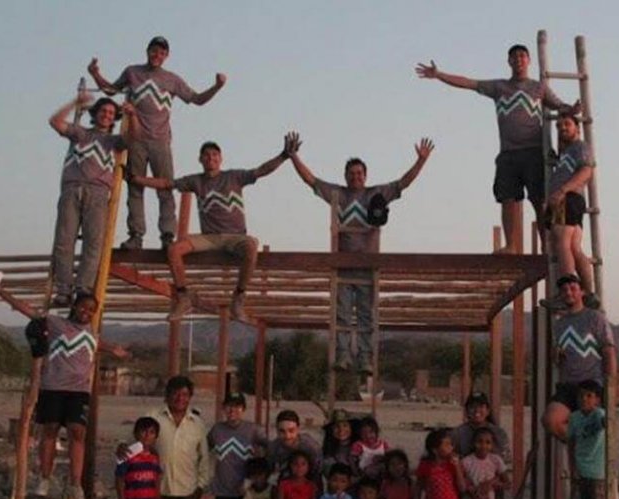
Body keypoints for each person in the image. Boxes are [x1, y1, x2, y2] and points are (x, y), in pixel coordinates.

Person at [287, 133, 434, 374]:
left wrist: (421, 161)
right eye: (351, 174)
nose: (355, 177)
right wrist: (293, 156)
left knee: (367, 315)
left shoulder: (375, 194)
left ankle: (366, 358)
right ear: (346, 176)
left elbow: (402, 183)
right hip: (343, 265)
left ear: (365, 176)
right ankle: (343, 355)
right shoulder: (339, 195)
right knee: (342, 314)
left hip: (368, 264)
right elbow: (311, 181)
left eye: (359, 174)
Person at [415, 44, 578, 253]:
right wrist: (439, 75)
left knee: (539, 200)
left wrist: (572, 109)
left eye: (522, 56)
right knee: (507, 198)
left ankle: (546, 245)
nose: (518, 60)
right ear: (509, 62)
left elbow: (560, 106)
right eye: (514, 57)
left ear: (528, 61)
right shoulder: (499, 87)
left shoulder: (539, 88)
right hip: (508, 153)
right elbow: (468, 83)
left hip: (533, 151)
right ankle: (511, 244)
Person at [129, 137, 295, 321]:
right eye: (206, 155)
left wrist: (283, 156)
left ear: (221, 158)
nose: (211, 158)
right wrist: (137, 179)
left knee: (251, 246)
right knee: (174, 249)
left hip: (235, 237)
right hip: (209, 237)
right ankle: (183, 297)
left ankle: (238, 298)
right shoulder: (195, 181)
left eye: (215, 155)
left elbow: (261, 171)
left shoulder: (234, 177)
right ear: (200, 159)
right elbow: (167, 184)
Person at [87, 36, 226, 251]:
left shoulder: (172, 79)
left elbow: (197, 99)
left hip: (161, 141)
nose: (157, 56)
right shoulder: (133, 72)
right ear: (148, 51)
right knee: (135, 186)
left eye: (162, 53)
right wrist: (96, 74)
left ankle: (167, 235)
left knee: (166, 187)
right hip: (135, 140)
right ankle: (136, 235)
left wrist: (217, 86)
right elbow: (111, 91)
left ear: (166, 56)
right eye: (154, 51)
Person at [0, 288, 128, 499]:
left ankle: (75, 484)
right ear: (74, 306)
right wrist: (2, 293)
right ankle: (45, 478)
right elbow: (29, 311)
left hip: (79, 391)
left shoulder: (92, 333)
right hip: (53, 387)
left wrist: (115, 349)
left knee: (78, 432)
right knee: (50, 430)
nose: (87, 312)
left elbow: (97, 344)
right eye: (83, 307)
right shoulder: (56, 324)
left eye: (91, 310)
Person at [48, 94, 140, 307]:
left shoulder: (114, 141)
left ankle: (83, 288)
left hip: (98, 193)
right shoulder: (79, 133)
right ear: (95, 113)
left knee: (93, 243)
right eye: (103, 111)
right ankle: (63, 289)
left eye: (110, 113)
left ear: (114, 117)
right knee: (64, 240)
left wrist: (132, 115)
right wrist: (75, 103)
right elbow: (55, 122)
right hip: (72, 189)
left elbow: (134, 139)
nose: (106, 115)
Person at [541, 273, 616, 440]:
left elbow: (608, 352)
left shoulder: (595, 318)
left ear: (582, 292)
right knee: (550, 420)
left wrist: (610, 386)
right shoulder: (560, 324)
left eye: (573, 288)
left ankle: (582, 445)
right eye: (564, 289)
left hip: (591, 385)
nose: (568, 292)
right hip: (568, 385)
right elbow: (559, 359)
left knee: (598, 434)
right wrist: (556, 357)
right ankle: (579, 441)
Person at [544, 113, 597, 309]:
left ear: (578, 127)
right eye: (558, 126)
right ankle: (589, 292)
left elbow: (586, 171)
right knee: (574, 247)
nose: (562, 128)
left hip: (567, 199)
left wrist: (562, 191)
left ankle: (565, 289)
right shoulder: (567, 152)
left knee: (562, 244)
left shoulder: (580, 147)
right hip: (570, 200)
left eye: (567, 124)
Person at [556, 379, 606, 499]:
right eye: (581, 396)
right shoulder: (575, 418)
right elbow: (571, 443)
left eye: (589, 396)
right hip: (581, 469)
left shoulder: (599, 415)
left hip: (599, 471)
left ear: (597, 399)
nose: (584, 399)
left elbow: (606, 423)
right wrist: (572, 467)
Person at [267, 410, 323, 482]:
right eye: (282, 431)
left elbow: (318, 470)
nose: (287, 436)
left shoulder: (310, 446)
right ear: (277, 430)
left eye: (291, 430)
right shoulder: (274, 447)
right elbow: (270, 470)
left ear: (298, 429)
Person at [350, 416, 389, 480]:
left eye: (371, 432)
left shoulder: (383, 444)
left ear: (376, 432)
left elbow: (390, 458)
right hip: (364, 475)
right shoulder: (358, 445)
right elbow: (352, 460)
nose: (368, 436)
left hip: (381, 475)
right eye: (364, 433)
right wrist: (355, 472)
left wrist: (381, 458)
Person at [321, 409, 356, 479]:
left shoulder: (359, 447)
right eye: (337, 426)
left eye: (345, 425)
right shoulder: (327, 451)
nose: (341, 430)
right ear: (331, 430)